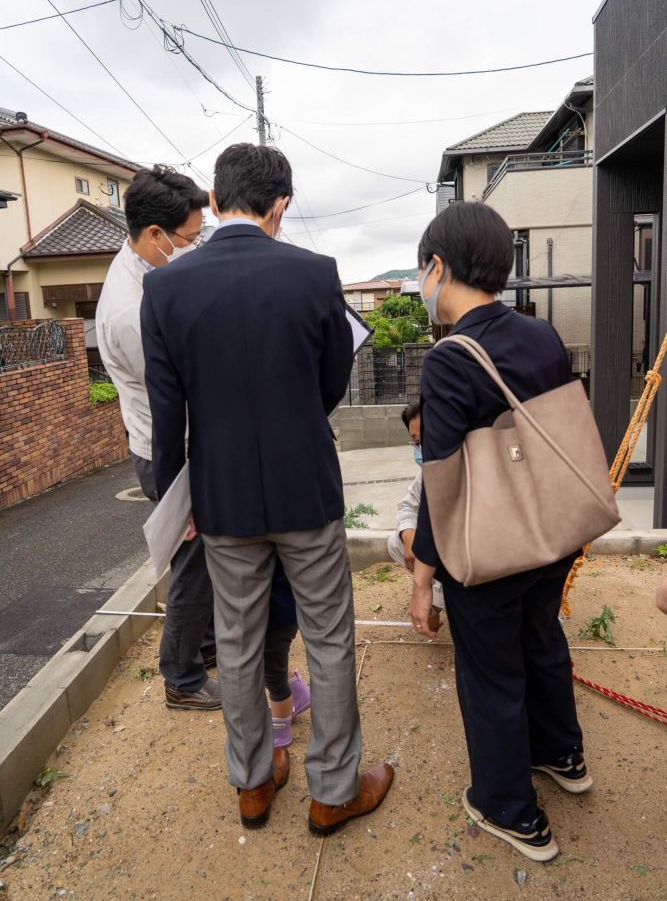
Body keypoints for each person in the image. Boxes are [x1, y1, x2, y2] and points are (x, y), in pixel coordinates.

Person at [140, 143, 394, 833]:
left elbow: (168, 415)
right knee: (329, 637)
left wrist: (176, 502)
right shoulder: (314, 274)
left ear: (216, 203)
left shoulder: (164, 288)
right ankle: (333, 789)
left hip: (220, 498)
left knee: (238, 639)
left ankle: (252, 784)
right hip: (304, 486)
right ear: (279, 203)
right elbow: (330, 383)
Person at [97, 166, 310, 739]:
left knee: (212, 562)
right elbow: (179, 395)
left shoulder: (149, 272)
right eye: (189, 238)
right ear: (155, 235)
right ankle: (183, 677)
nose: (194, 246)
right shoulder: (128, 311)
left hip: (183, 440)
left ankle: (212, 649)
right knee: (191, 561)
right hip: (168, 449)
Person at [410, 200, 589, 864]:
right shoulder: (537, 335)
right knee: (541, 642)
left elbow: (441, 482)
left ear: (438, 266)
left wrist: (423, 576)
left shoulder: (449, 357)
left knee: (490, 673)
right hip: (551, 532)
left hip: (487, 549)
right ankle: (562, 756)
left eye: (423, 269)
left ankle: (511, 811)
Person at [387, 401, 444, 619]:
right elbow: (407, 505)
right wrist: (409, 539)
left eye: (421, 441)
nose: (419, 449)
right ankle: (435, 595)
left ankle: (435, 601)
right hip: (441, 553)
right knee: (396, 542)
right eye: (415, 442)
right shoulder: (427, 472)